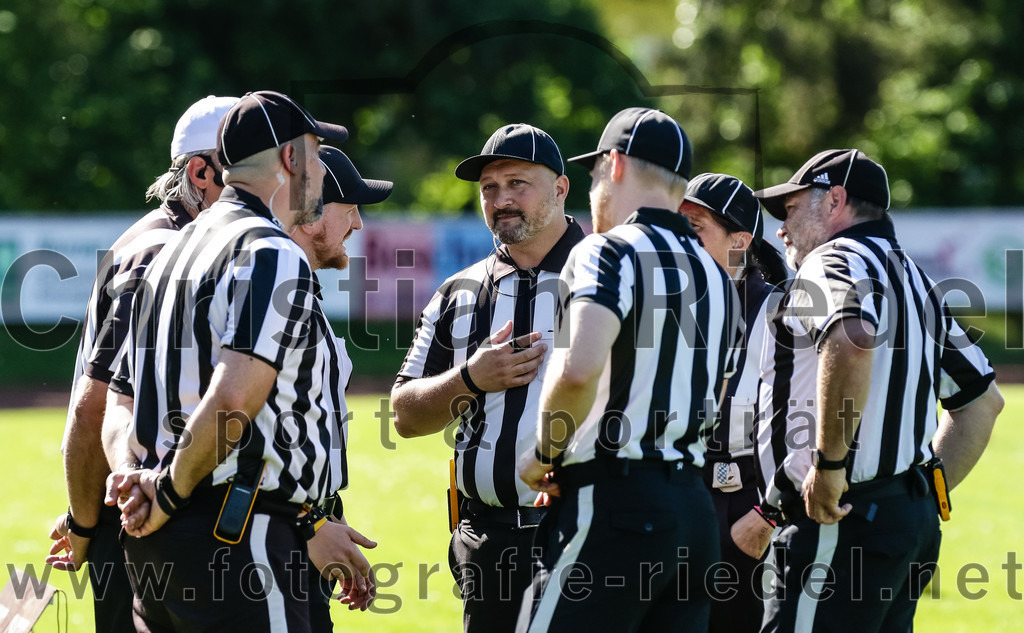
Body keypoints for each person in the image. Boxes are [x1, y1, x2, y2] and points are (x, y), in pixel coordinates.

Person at [105, 90, 370, 633]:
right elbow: (233, 398)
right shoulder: (270, 250)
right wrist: (171, 491)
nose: (321, 174)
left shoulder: (173, 248)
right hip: (237, 538)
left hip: (159, 541)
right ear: (292, 160)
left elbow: (120, 398)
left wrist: (138, 482)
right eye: (317, 158)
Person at [752, 149, 1004, 632]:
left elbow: (852, 340)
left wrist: (828, 468)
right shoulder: (918, 280)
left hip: (838, 522)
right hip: (904, 522)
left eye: (790, 209)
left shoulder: (832, 259)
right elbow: (982, 403)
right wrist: (919, 497)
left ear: (834, 201)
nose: (780, 229)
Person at [518, 107, 741, 633]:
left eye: (595, 173)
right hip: (694, 512)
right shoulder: (717, 273)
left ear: (614, 165)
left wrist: (544, 453)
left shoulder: (607, 251)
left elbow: (578, 369)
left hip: (616, 504)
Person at [45, 94, 239, 633]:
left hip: (137, 511)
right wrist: (86, 527)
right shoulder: (161, 252)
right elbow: (98, 405)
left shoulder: (161, 237)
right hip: (138, 517)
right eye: (246, 169)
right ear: (201, 173)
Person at [391, 123, 583, 633]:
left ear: (561, 188)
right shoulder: (459, 292)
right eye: (489, 188)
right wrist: (470, 380)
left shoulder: (609, 278)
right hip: (488, 542)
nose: (501, 199)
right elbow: (404, 415)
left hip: (586, 535)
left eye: (517, 183)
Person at [288, 145, 393, 628]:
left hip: (305, 530)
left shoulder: (301, 290)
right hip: (270, 538)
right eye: (349, 208)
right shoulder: (274, 292)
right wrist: (307, 524)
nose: (358, 224)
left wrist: (324, 519)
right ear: (311, 215)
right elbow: (238, 426)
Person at [678, 172, 787, 633]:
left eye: (696, 229)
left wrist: (765, 517)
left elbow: (815, 424)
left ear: (740, 240)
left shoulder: (783, 312)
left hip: (744, 506)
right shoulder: (667, 307)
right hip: (674, 502)